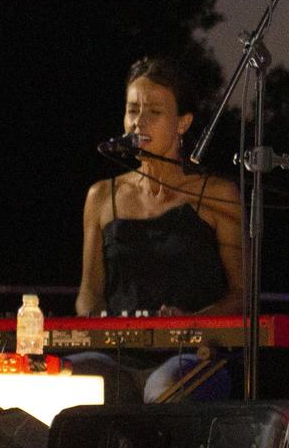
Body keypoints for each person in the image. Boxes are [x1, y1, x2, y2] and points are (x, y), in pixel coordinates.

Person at [75, 56, 244, 400]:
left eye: (154, 112)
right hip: (116, 355)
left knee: (165, 387)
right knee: (69, 379)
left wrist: (193, 322)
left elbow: (241, 295)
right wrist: (99, 324)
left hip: (191, 354)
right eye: (132, 110)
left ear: (183, 123)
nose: (138, 122)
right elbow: (88, 293)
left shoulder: (217, 195)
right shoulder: (102, 196)